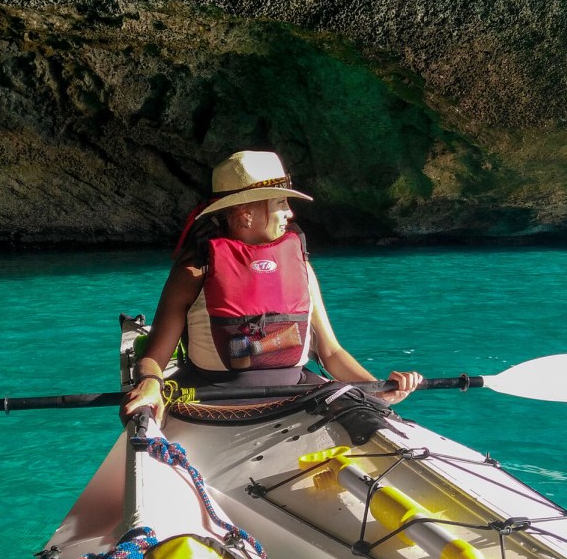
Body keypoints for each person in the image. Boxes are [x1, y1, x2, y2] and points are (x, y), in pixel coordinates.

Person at [122, 150, 421, 422]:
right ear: (245, 214)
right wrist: (150, 384)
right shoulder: (193, 272)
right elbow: (154, 357)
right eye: (281, 203)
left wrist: (378, 389)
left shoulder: (302, 268)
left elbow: (330, 352)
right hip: (214, 400)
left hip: (298, 396)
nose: (290, 213)